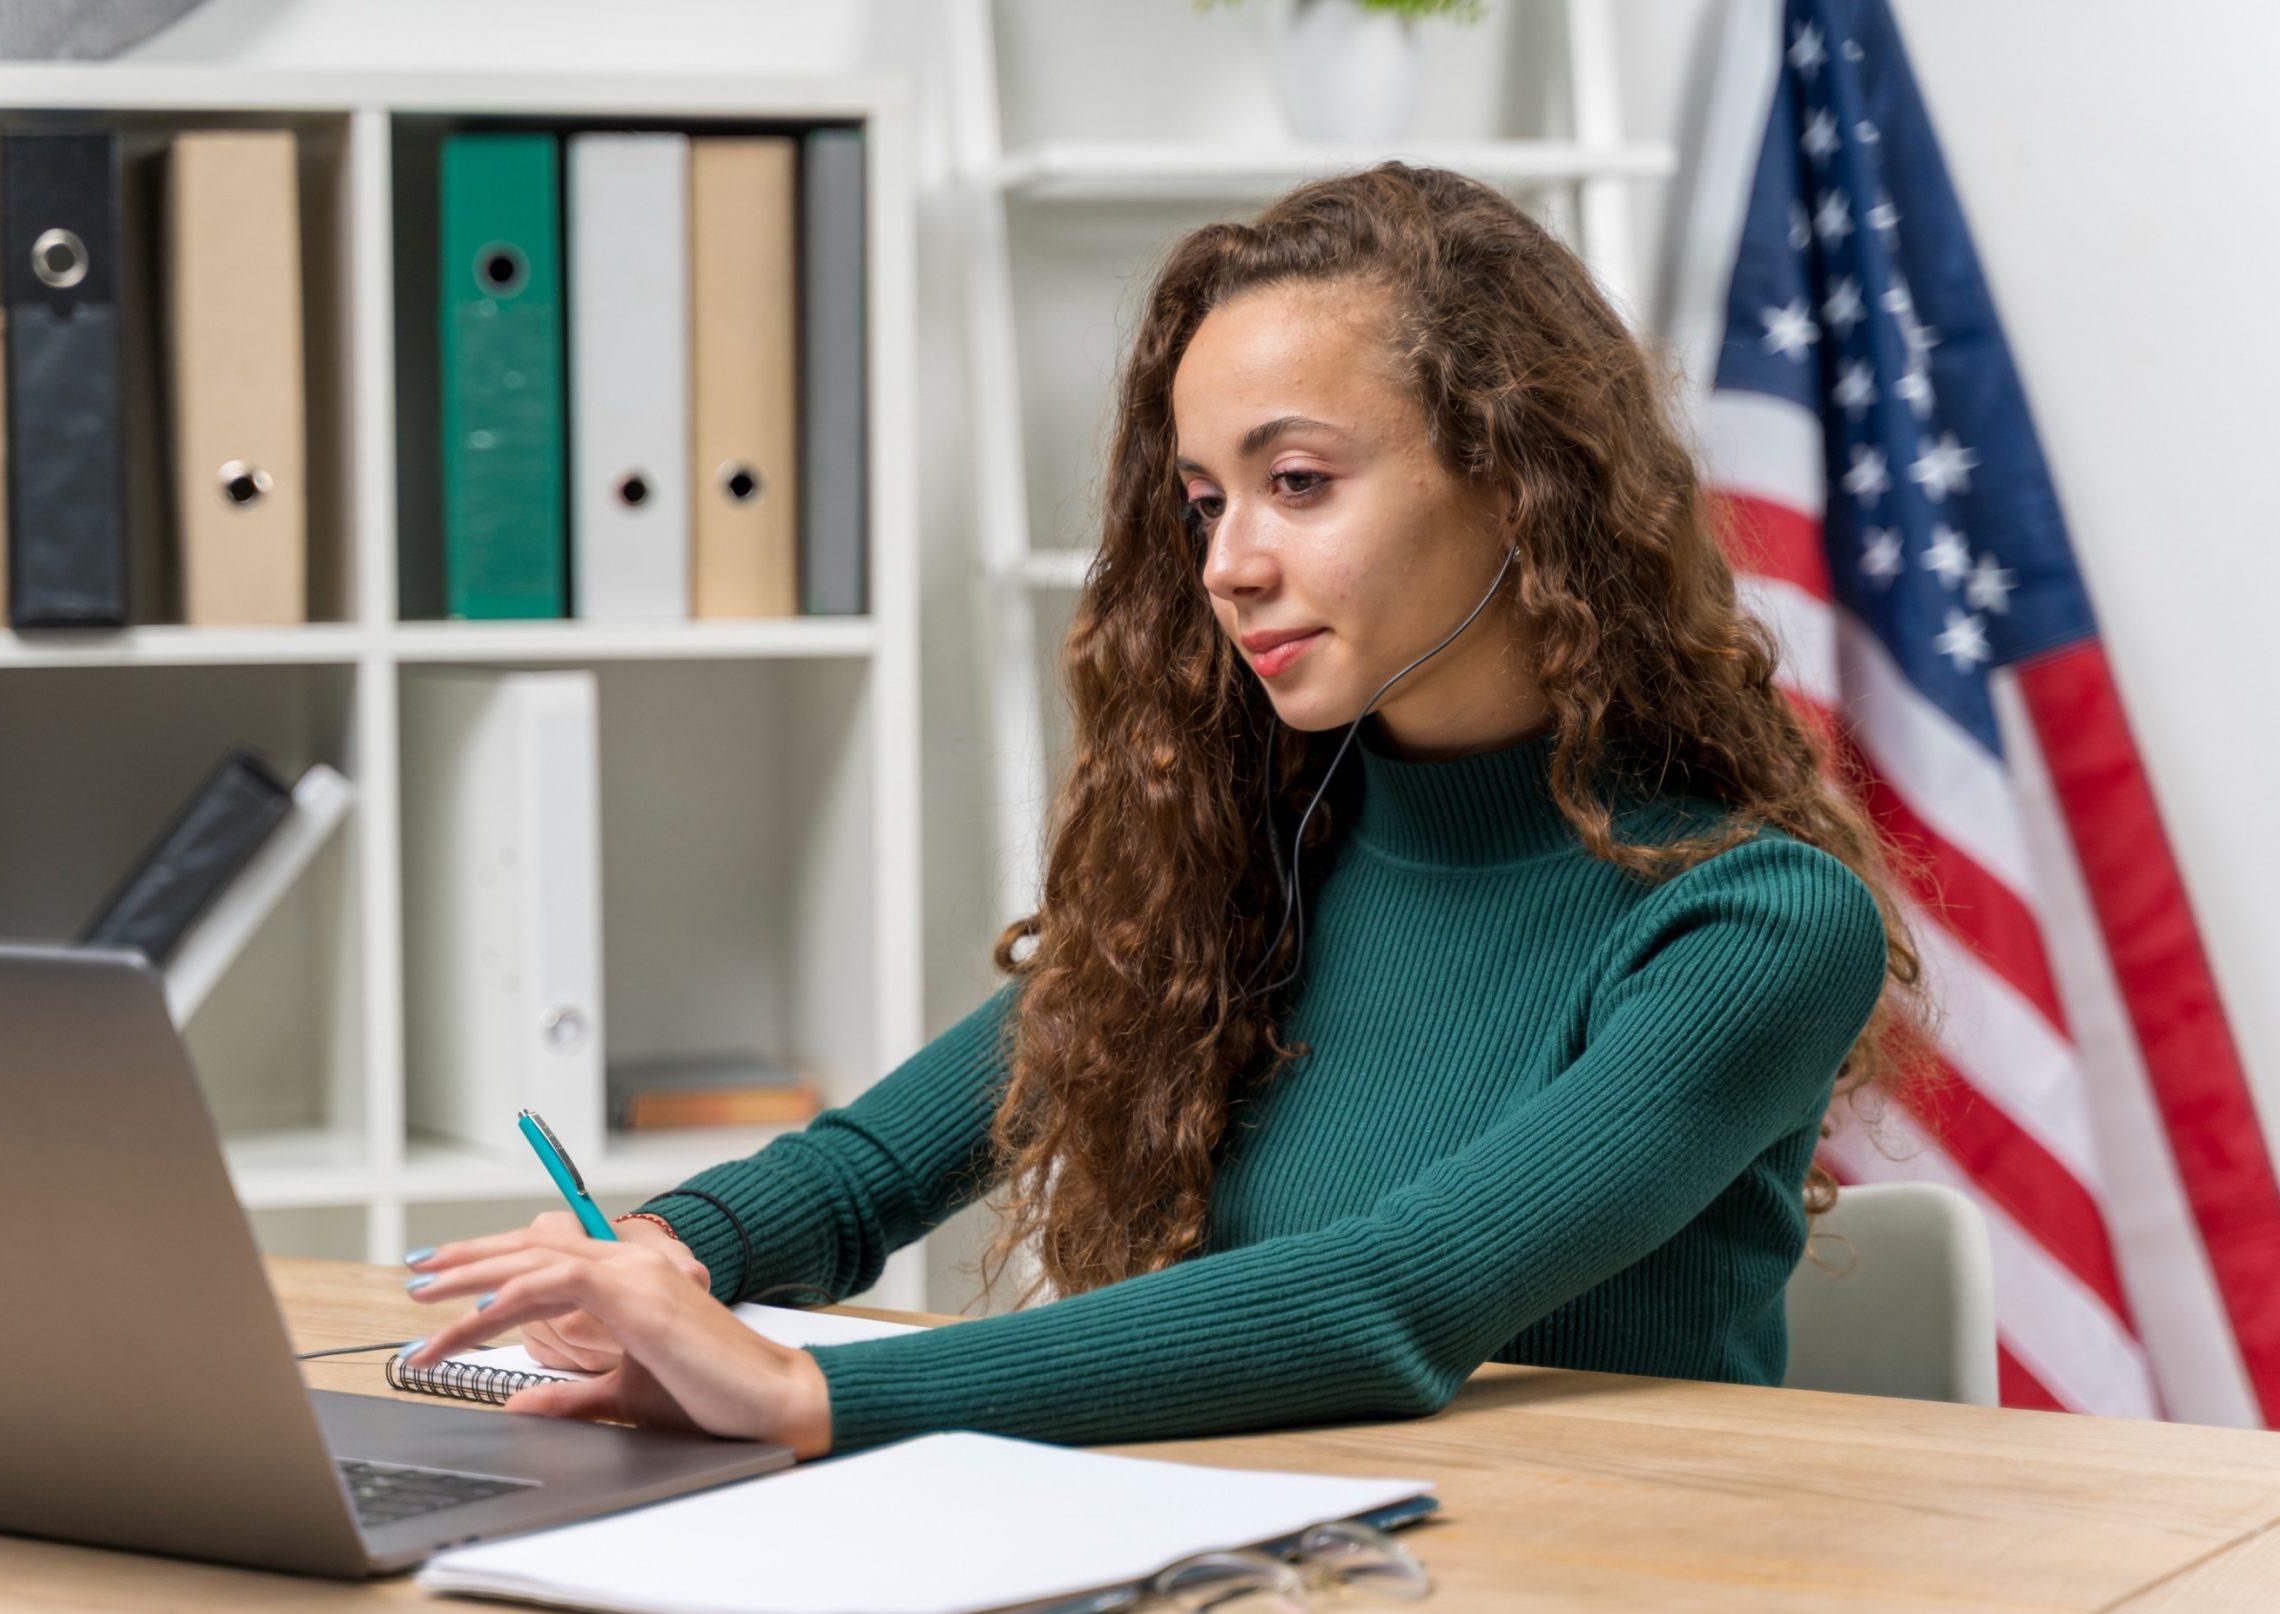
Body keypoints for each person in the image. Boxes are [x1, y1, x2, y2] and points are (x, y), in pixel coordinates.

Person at [399, 163, 1931, 1463]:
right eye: (1207, 501)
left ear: (1522, 478)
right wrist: (658, 1257)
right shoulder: (1256, 855)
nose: (1229, 564)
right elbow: (875, 1167)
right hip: (1268, 1579)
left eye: (1301, 482)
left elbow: (1396, 1297)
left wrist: (810, 1389)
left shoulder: (1757, 922)